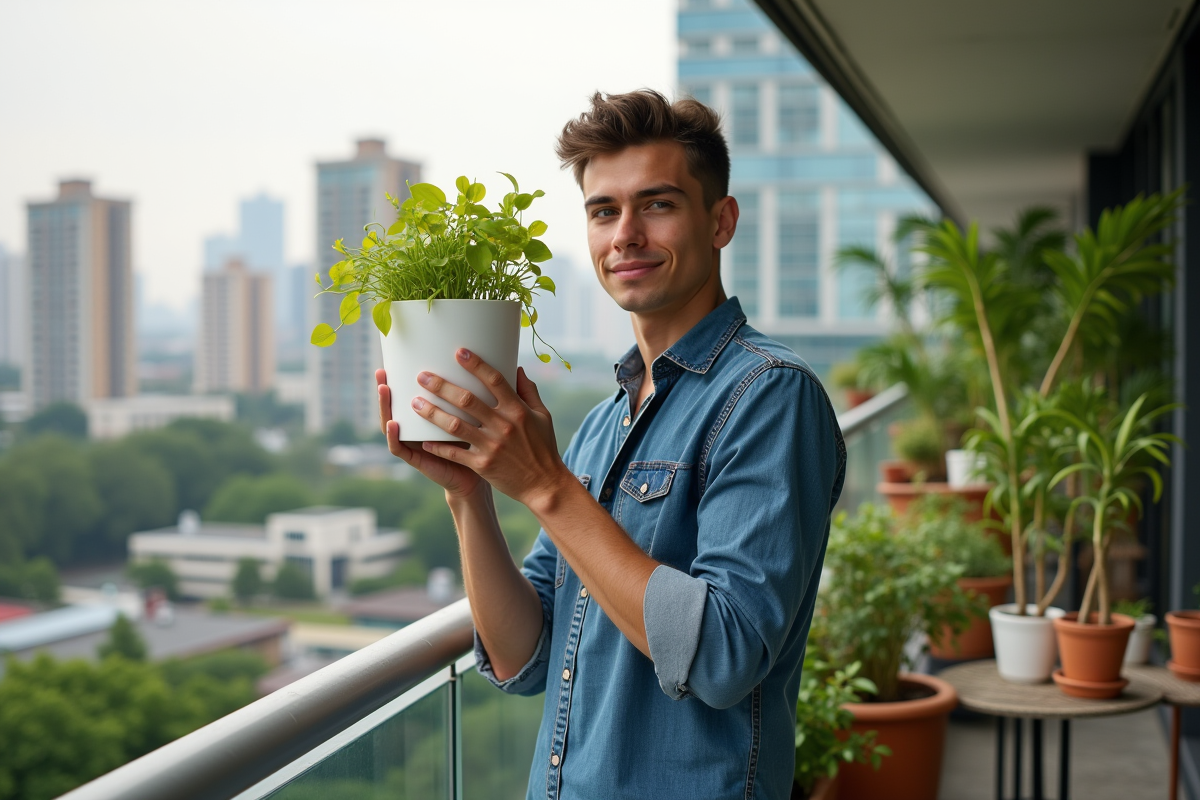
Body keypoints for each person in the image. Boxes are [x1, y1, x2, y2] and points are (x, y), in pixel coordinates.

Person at [377, 89, 845, 800]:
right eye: (604, 211)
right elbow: (524, 657)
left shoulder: (771, 396)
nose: (625, 233)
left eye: (657, 204)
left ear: (721, 221)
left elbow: (722, 655)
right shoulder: (603, 424)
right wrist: (467, 495)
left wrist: (545, 486)